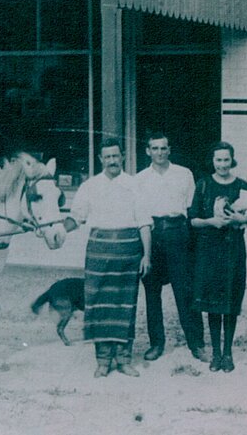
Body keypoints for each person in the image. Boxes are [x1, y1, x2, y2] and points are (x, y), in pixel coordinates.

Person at [71, 139, 152, 378]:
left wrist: (147, 255)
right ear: (100, 159)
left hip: (129, 252)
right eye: (107, 157)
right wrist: (54, 232)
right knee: (98, 305)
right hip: (98, 253)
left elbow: (145, 223)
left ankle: (124, 359)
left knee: (124, 304)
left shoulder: (135, 185)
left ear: (123, 157)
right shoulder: (89, 186)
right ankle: (103, 360)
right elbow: (76, 218)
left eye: (116, 156)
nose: (112, 161)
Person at [189, 142, 247, 373]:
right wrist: (211, 221)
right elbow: (192, 219)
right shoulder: (203, 184)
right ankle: (216, 354)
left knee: (230, 300)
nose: (222, 164)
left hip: (233, 250)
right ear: (213, 161)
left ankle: (228, 352)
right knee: (212, 302)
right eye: (218, 160)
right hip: (209, 250)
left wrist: (239, 221)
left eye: (226, 159)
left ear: (233, 160)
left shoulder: (242, 186)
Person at [135, 131, 206, 362]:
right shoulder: (140, 179)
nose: (159, 152)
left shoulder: (184, 174)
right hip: (152, 236)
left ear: (169, 150)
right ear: (148, 151)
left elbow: (191, 208)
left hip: (178, 233)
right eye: (154, 148)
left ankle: (196, 344)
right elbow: (140, 215)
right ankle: (156, 343)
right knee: (152, 293)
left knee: (185, 291)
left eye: (163, 148)